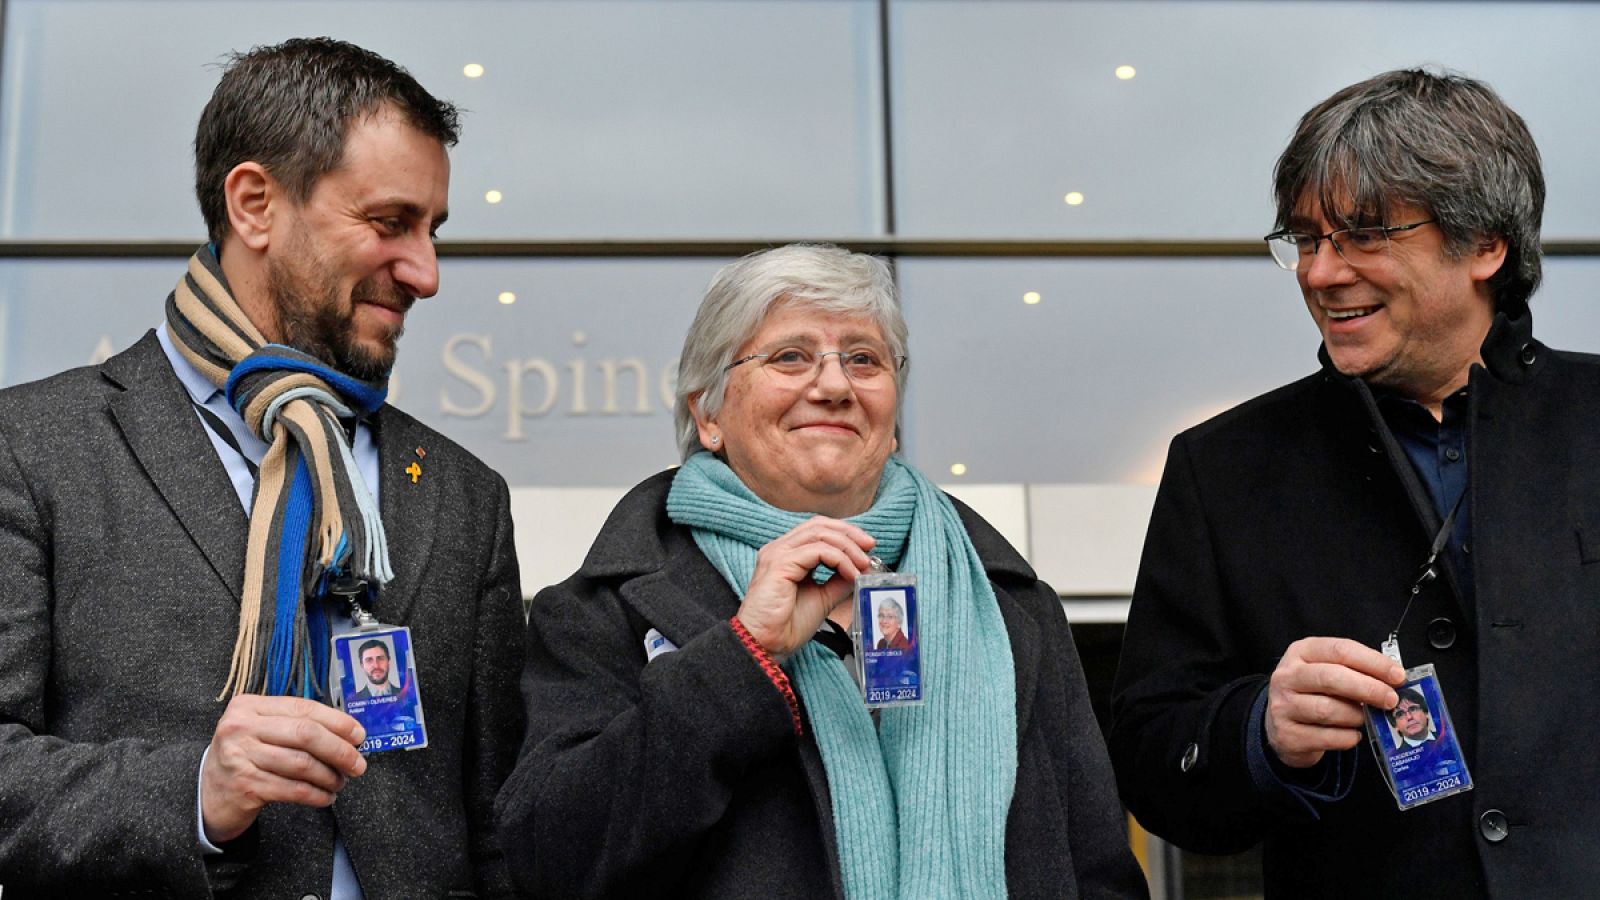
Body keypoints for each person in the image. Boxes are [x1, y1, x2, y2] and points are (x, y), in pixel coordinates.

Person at [0, 38, 524, 897]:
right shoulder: (30, 448)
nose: (425, 273)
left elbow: (498, 825)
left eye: (433, 232)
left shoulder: (466, 495)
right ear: (253, 204)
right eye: (391, 223)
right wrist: (195, 793)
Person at [497, 243, 1148, 898]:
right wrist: (741, 655)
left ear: (892, 417)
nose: (834, 386)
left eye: (863, 359)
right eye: (791, 357)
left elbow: (1097, 870)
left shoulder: (1007, 602)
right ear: (708, 414)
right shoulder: (601, 609)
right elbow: (550, 856)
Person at [1109, 67, 1590, 897]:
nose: (1320, 273)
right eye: (1305, 238)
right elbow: (1152, 764)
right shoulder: (1220, 468)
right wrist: (1261, 730)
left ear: (1485, 245)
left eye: (1364, 235)